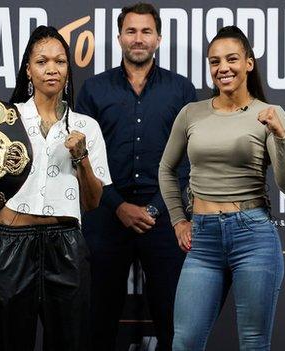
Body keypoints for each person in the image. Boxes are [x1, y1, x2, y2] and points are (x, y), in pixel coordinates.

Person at [0, 26, 111, 351]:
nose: (52, 69)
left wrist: (82, 158)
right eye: (42, 61)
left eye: (60, 61)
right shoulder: (3, 121)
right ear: (28, 69)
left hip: (65, 247)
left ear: (68, 69)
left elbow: (92, 202)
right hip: (11, 246)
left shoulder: (86, 126)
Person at [158, 26, 285, 351]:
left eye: (232, 59)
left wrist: (280, 138)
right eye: (214, 61)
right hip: (203, 239)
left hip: (253, 236)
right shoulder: (191, 113)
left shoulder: (269, 114)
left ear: (249, 63)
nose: (223, 67)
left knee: (253, 343)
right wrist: (179, 220)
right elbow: (167, 169)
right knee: (185, 341)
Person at [75, 3, 196, 350]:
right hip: (106, 218)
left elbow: (189, 161)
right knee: (97, 321)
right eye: (131, 31)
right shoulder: (94, 90)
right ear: (119, 38)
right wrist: (118, 207)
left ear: (158, 38)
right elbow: (84, 160)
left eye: (146, 31)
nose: (138, 39)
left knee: (174, 321)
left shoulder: (181, 90)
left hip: (166, 221)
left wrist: (156, 210)